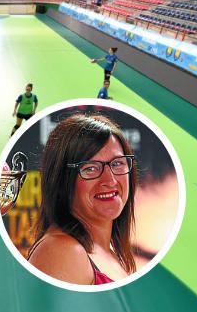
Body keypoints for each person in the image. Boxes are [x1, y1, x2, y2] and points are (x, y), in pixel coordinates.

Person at [27, 114, 137, 285]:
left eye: (117, 164)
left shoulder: (113, 253)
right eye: (91, 168)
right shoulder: (63, 252)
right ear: (63, 180)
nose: (110, 181)